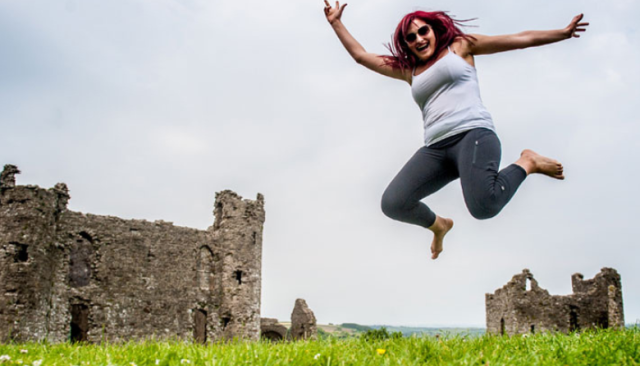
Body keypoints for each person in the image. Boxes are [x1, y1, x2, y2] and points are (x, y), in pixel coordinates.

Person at [323, 2, 589, 259]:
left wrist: (562, 33)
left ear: (434, 31)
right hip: (436, 149)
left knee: (485, 207)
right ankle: (438, 225)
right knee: (393, 203)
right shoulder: (409, 71)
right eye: (410, 37)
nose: (418, 39)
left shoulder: (460, 47)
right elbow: (361, 56)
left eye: (422, 31)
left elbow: (521, 38)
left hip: (473, 135)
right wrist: (336, 24)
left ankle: (527, 162)